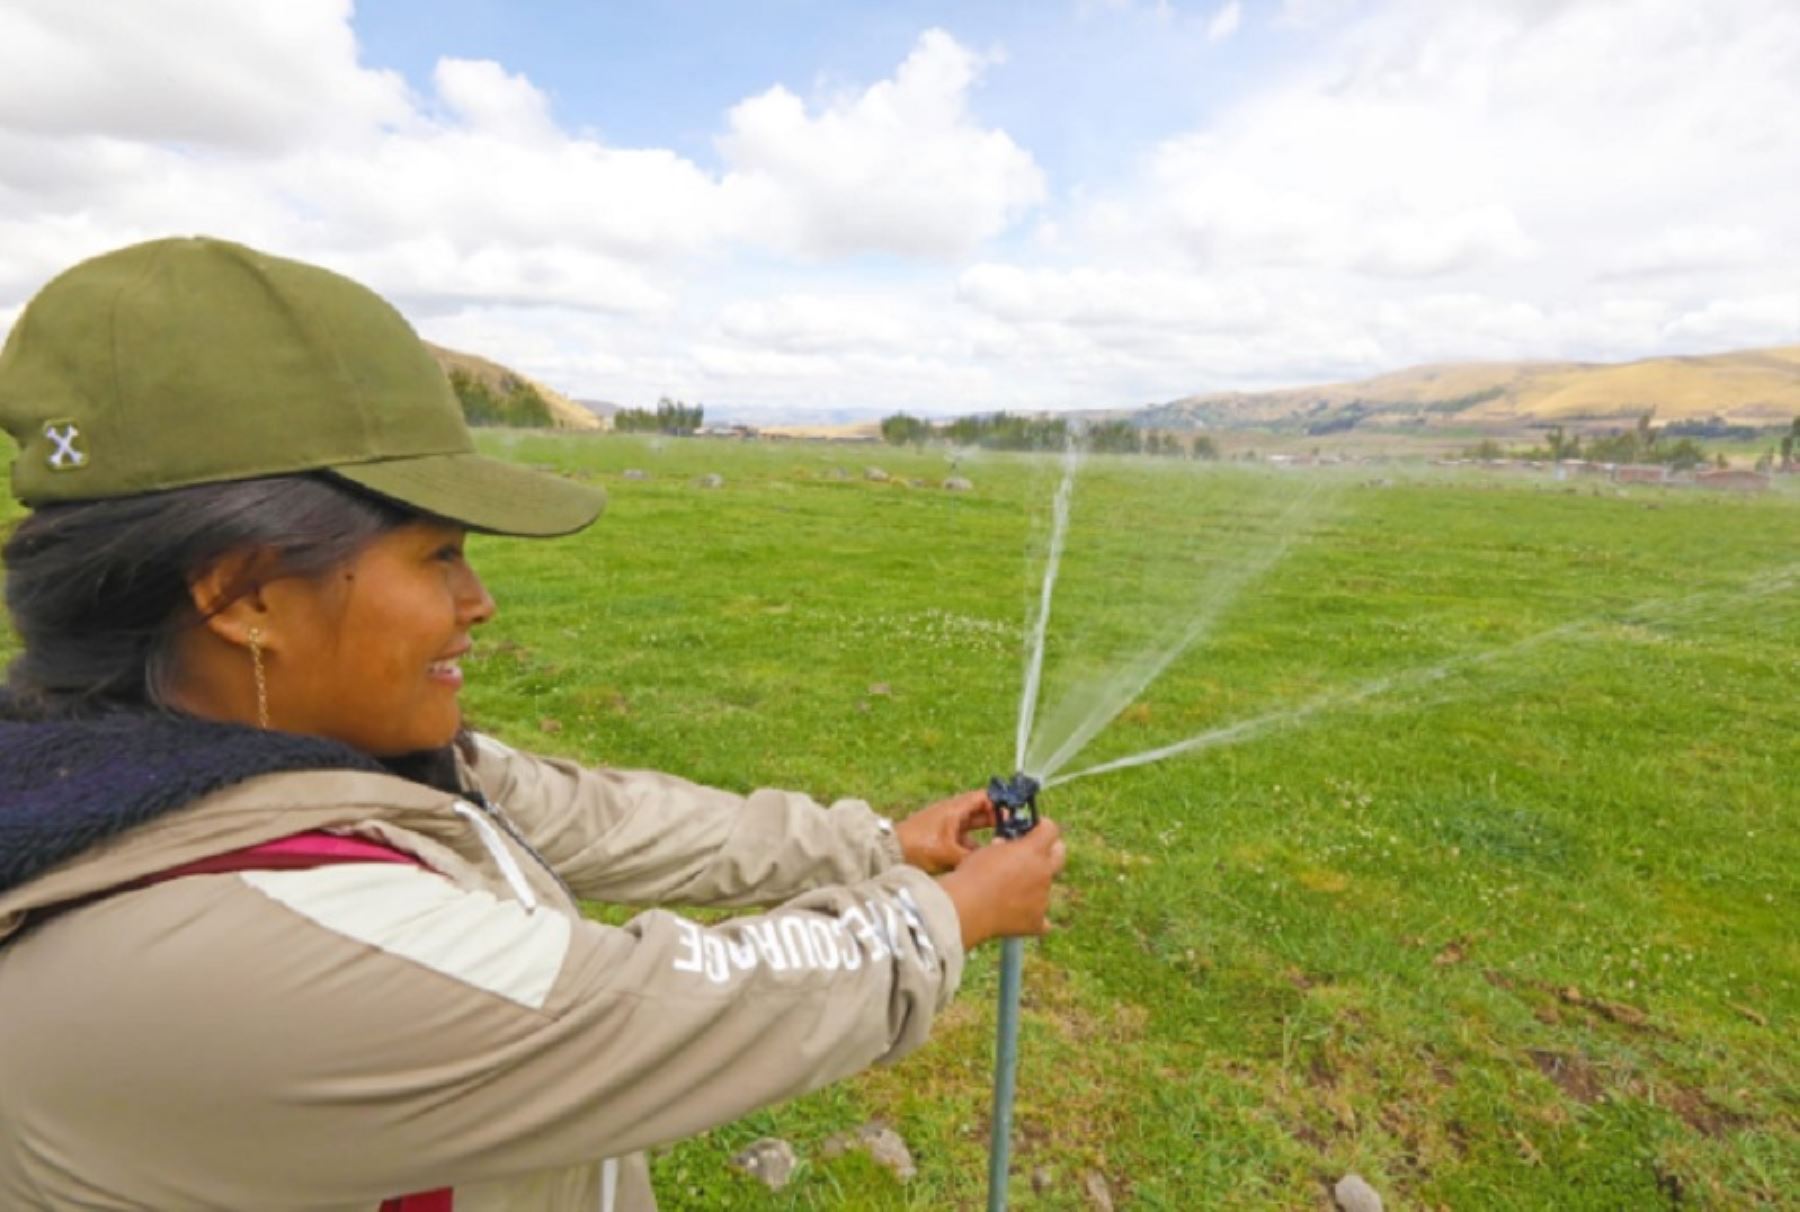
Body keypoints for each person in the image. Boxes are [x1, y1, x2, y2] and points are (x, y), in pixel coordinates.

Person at [0, 237, 1065, 1210]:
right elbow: (661, 1010)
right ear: (243, 596)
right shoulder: (222, 958)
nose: (479, 601)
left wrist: (877, 843)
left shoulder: (236, 770)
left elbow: (597, 816)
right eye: (439, 555)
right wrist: (939, 917)